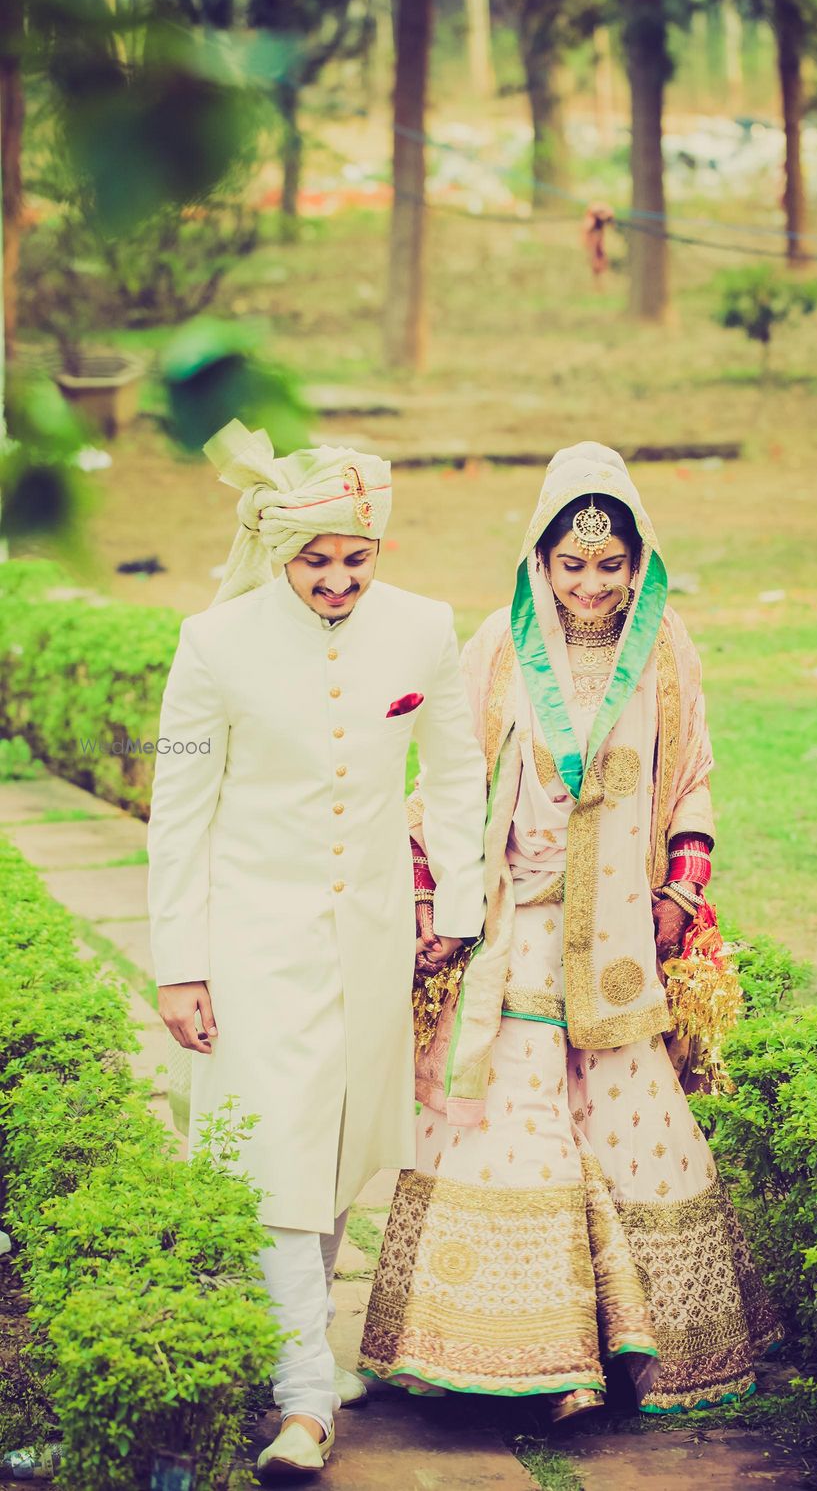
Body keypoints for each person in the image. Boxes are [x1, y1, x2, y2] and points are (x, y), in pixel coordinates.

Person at [359, 443, 782, 1420]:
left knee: (637, 1126)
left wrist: (683, 888)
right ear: (540, 565)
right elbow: (448, 786)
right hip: (514, 936)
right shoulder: (497, 650)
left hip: (624, 940)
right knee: (511, 1125)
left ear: (639, 563)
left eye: (611, 564)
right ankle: (528, 1354)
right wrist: (431, 901)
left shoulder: (664, 648)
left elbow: (693, 777)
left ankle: (644, 1350)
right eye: (572, 564)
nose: (593, 584)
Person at [147, 420, 486, 1477]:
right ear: (278, 551)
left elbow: (457, 770)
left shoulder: (424, 629)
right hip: (253, 941)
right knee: (276, 1156)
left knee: (337, 1155)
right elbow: (179, 809)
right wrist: (179, 963)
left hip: (378, 938)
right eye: (315, 560)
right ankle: (304, 1398)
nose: (337, 579)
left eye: (356, 557)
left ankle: (290, 1349)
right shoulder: (214, 644)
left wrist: (457, 905)